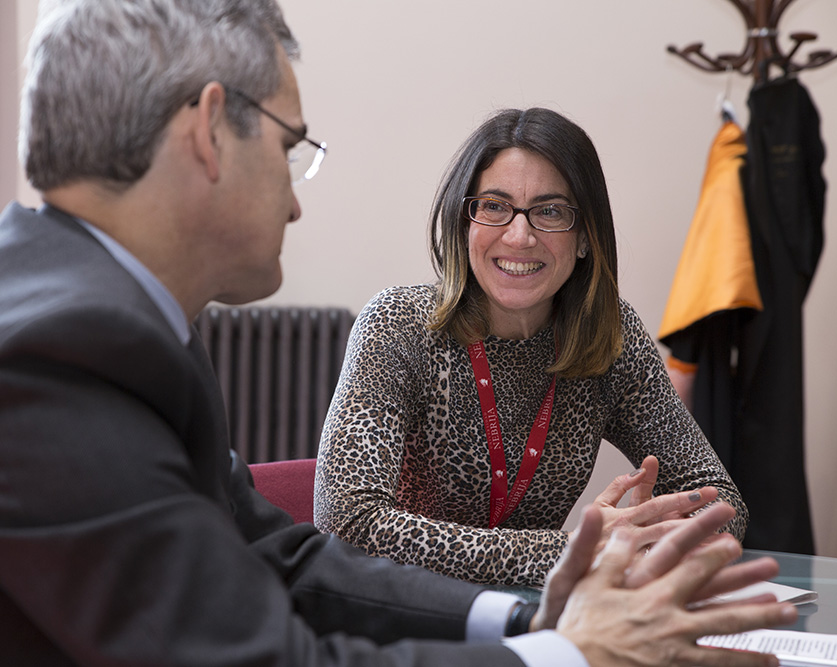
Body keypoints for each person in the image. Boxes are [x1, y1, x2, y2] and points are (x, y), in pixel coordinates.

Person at [0, 1, 795, 665]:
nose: (296, 200)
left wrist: (537, 615)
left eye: (550, 213)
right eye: (290, 147)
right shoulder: (51, 360)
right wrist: (566, 651)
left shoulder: (111, 329)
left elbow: (285, 557)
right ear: (209, 134)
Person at [315, 107, 748, 587]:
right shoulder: (398, 325)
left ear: (585, 238)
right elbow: (346, 523)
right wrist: (568, 551)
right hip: (401, 612)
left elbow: (720, 500)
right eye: (494, 206)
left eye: (550, 212)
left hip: (534, 618)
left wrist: (653, 537)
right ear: (464, 222)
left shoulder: (610, 337)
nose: (519, 236)